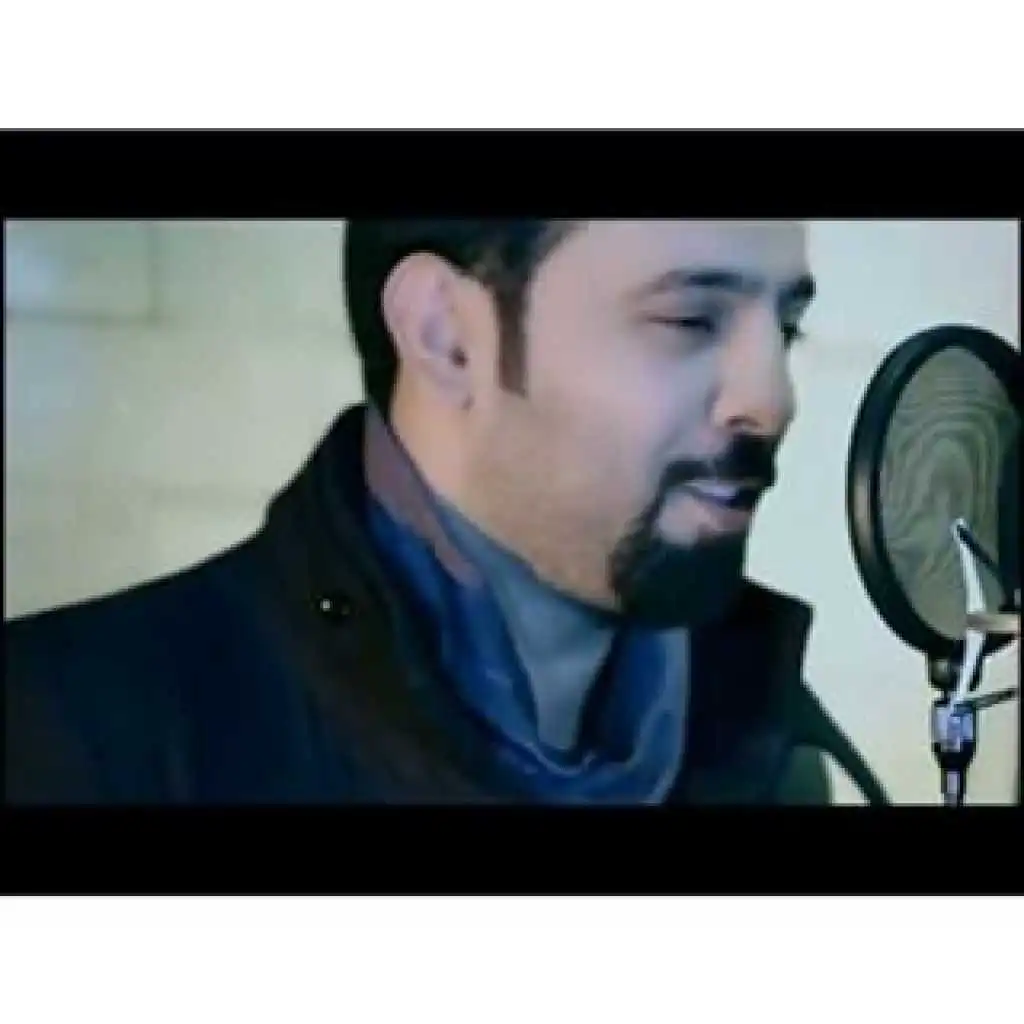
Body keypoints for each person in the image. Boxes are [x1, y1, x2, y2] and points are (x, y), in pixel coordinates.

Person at [4, 219, 887, 805]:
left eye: (786, 330)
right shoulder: (72, 731)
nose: (770, 399)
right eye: (690, 320)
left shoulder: (773, 759)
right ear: (446, 336)